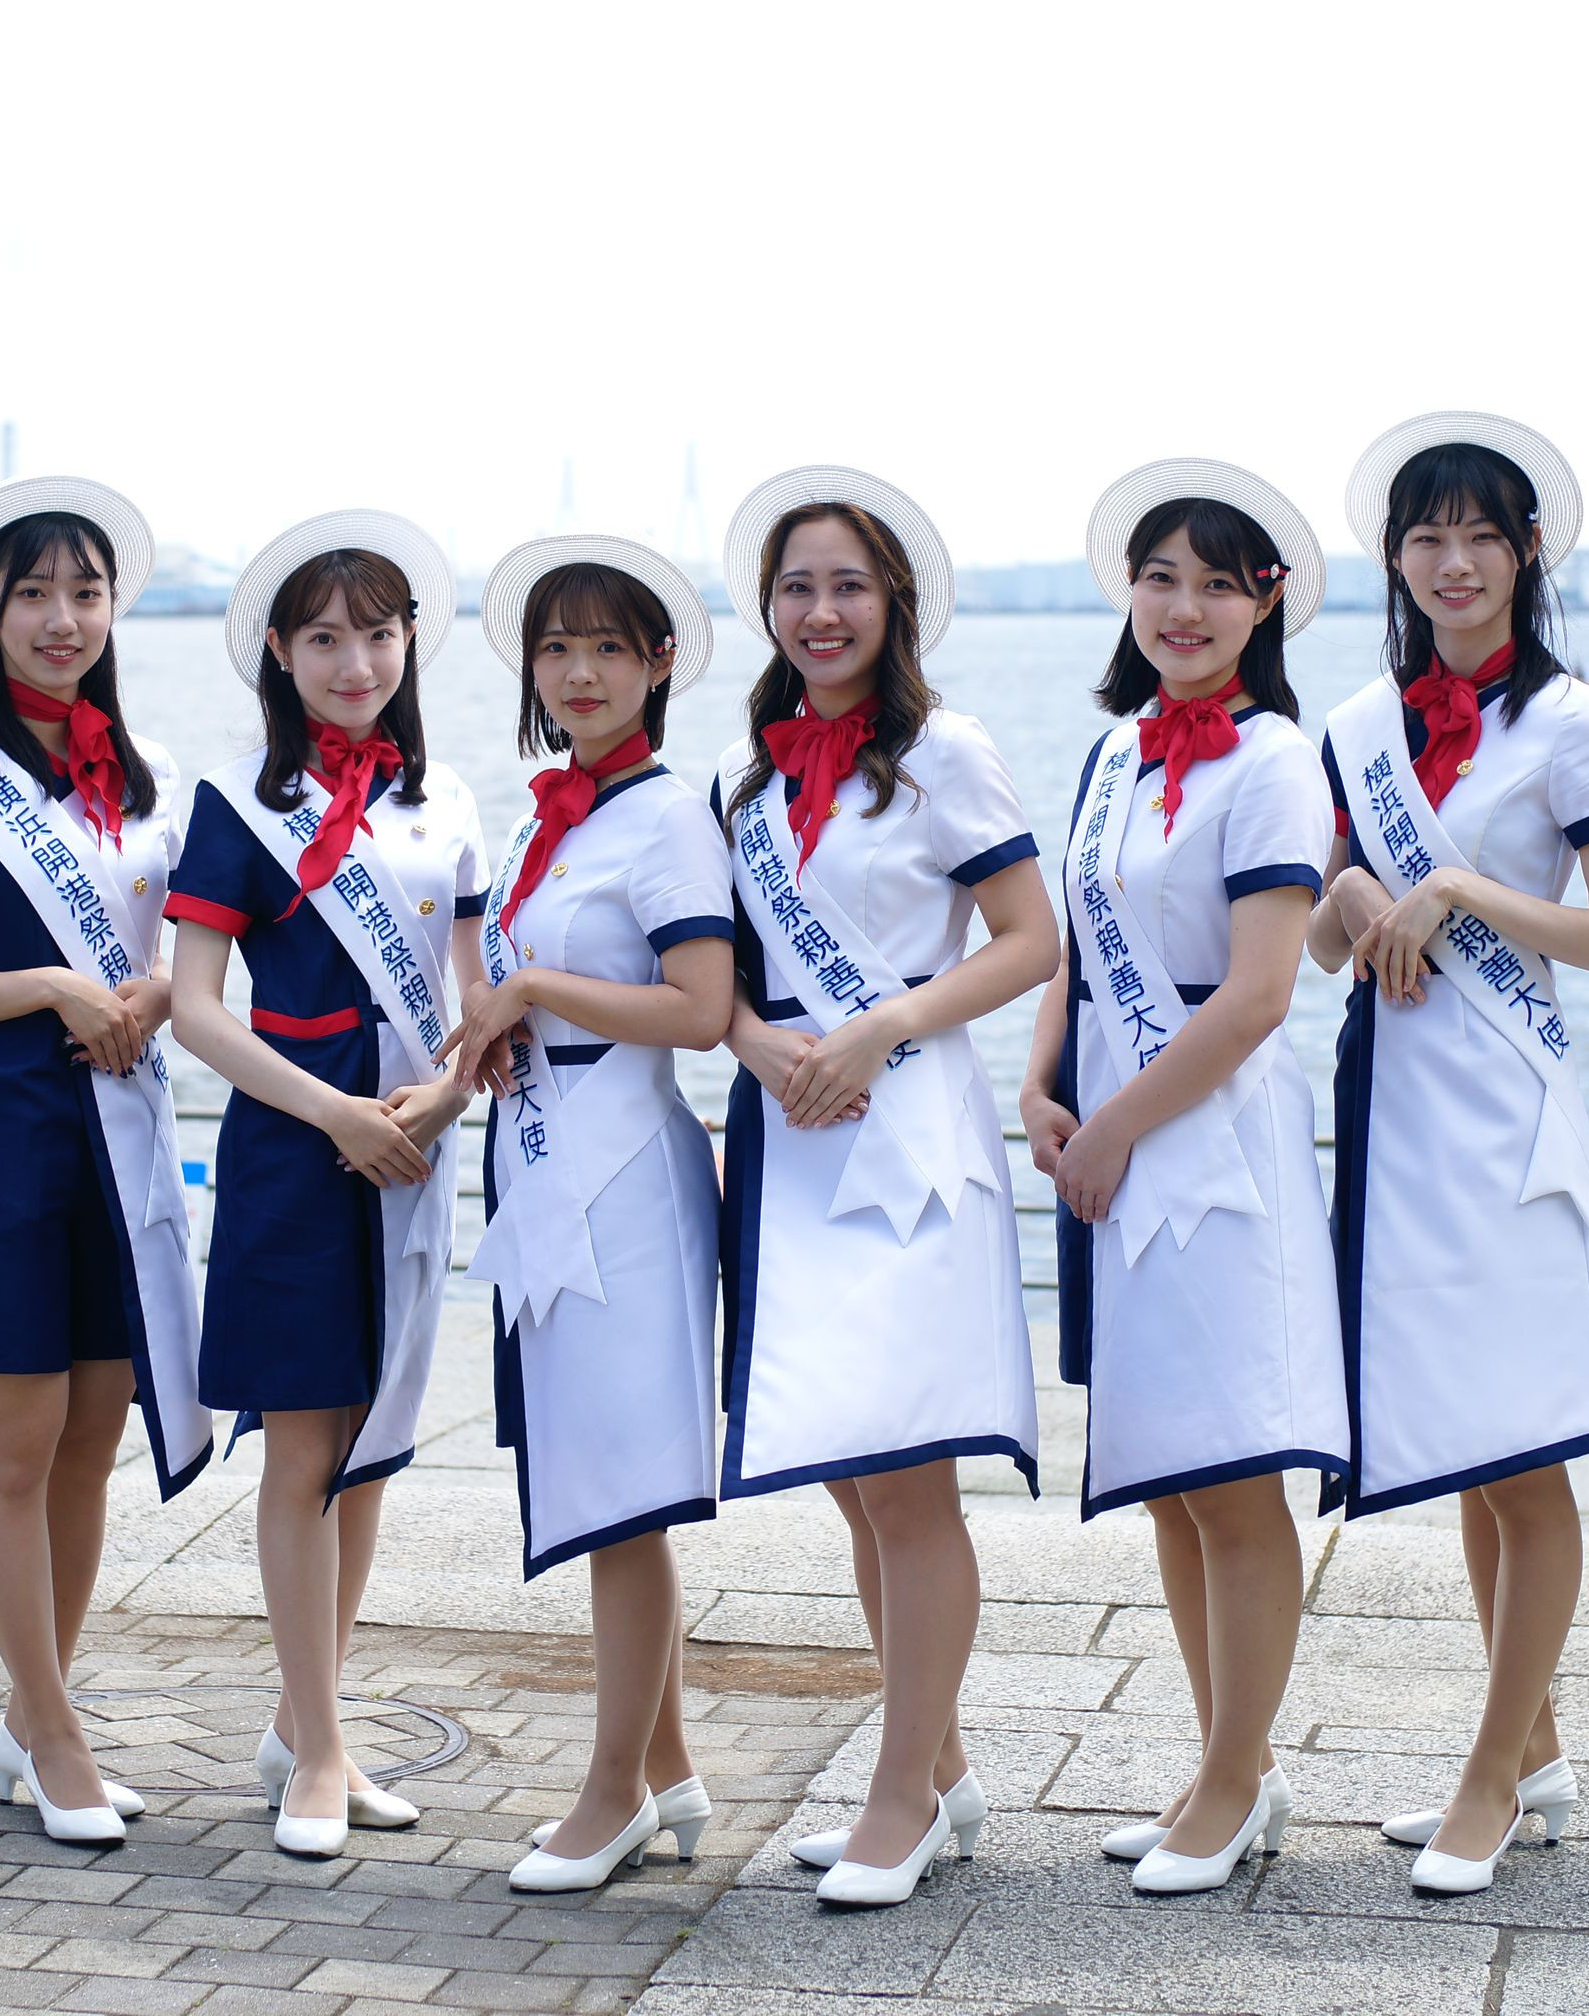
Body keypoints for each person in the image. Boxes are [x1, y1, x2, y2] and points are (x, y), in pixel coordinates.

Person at [1307, 414, 1589, 1897]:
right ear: (1394, 557)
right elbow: (1327, 928)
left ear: (1525, 553)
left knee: (1522, 1449)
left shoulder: (1573, 722)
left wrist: (1456, 886)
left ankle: (1488, 1775)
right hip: (1395, 1111)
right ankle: (1537, 1751)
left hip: (1509, 1117)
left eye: (1480, 537)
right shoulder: (1361, 724)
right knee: (1463, 1440)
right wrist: (1352, 905)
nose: (1454, 563)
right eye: (1427, 538)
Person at [715, 468, 1058, 1910]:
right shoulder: (746, 777)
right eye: (796, 586)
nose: (821, 610)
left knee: (909, 1480)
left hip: (906, 1137)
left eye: (847, 585)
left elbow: (1030, 939)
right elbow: (721, 975)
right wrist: (755, 1042)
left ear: (894, 601)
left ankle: (897, 1794)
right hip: (788, 1138)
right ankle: (940, 1762)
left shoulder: (945, 753)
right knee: (852, 1478)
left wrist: (881, 1026)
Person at [0, 479, 211, 1849]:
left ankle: (36, 1713)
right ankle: (57, 1736)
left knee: (92, 1435)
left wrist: (151, 995)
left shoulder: (148, 777)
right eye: (33, 595)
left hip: (123, 1135)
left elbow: (192, 957)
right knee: (15, 1443)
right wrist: (52, 988)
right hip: (2, 1137)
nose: (62, 620)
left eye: (86, 593)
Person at [1020, 461, 1340, 1896]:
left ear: (1266, 603)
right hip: (1113, 1128)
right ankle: (1229, 1765)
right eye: (1161, 578)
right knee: (1164, 1473)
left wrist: (1112, 1127)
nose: (1184, 607)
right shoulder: (1114, 753)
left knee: (1231, 1470)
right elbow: (1077, 945)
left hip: (1210, 1143)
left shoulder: (1272, 759)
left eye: (1217, 583)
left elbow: (1260, 993)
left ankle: (1231, 1775)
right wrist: (1041, 1083)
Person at [164, 511, 486, 1859]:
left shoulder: (446, 801)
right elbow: (193, 1007)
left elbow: (476, 1000)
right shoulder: (238, 803)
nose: (355, 662)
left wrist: (446, 1095)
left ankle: (312, 1726)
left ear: (411, 642)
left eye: (377, 634)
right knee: (303, 1450)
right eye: (323, 638)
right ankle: (316, 1750)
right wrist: (330, 1112)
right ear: (280, 656)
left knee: (367, 1456)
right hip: (294, 1149)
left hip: (413, 1146)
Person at [441, 535, 737, 1894]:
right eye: (556, 647)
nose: (579, 672)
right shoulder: (544, 819)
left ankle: (609, 1792)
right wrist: (489, 1015)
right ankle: (666, 1769)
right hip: (545, 1154)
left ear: (660, 663)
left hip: (625, 1173)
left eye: (609, 647)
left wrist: (534, 995)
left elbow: (701, 1008)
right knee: (601, 1482)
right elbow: (509, 977)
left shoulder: (668, 816)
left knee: (625, 1496)